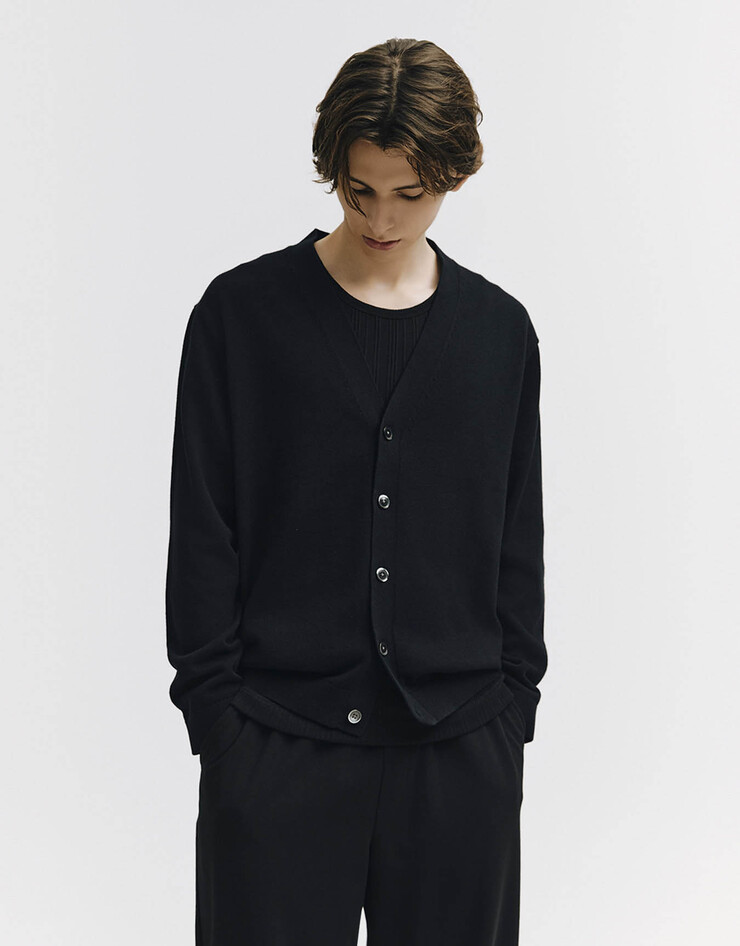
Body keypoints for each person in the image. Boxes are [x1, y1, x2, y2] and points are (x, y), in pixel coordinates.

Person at [166, 36, 547, 946]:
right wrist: (219, 720)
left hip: (460, 749)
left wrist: (512, 709)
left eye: (410, 195)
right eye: (357, 189)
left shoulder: (499, 334)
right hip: (276, 744)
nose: (381, 217)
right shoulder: (240, 318)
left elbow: (516, 535)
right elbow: (203, 528)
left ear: (455, 174)